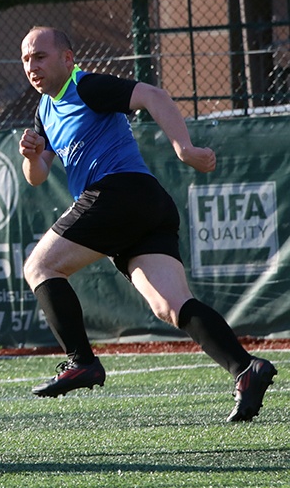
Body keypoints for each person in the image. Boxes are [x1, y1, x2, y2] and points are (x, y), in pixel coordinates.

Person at [18, 26, 276, 422]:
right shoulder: (45, 110)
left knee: (39, 267)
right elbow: (37, 176)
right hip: (145, 204)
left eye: (40, 56)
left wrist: (184, 149)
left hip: (117, 193)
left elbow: (154, 96)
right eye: (25, 59)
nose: (32, 66)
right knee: (170, 306)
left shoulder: (86, 86)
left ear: (67, 59)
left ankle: (81, 361)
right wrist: (32, 156)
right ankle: (246, 368)